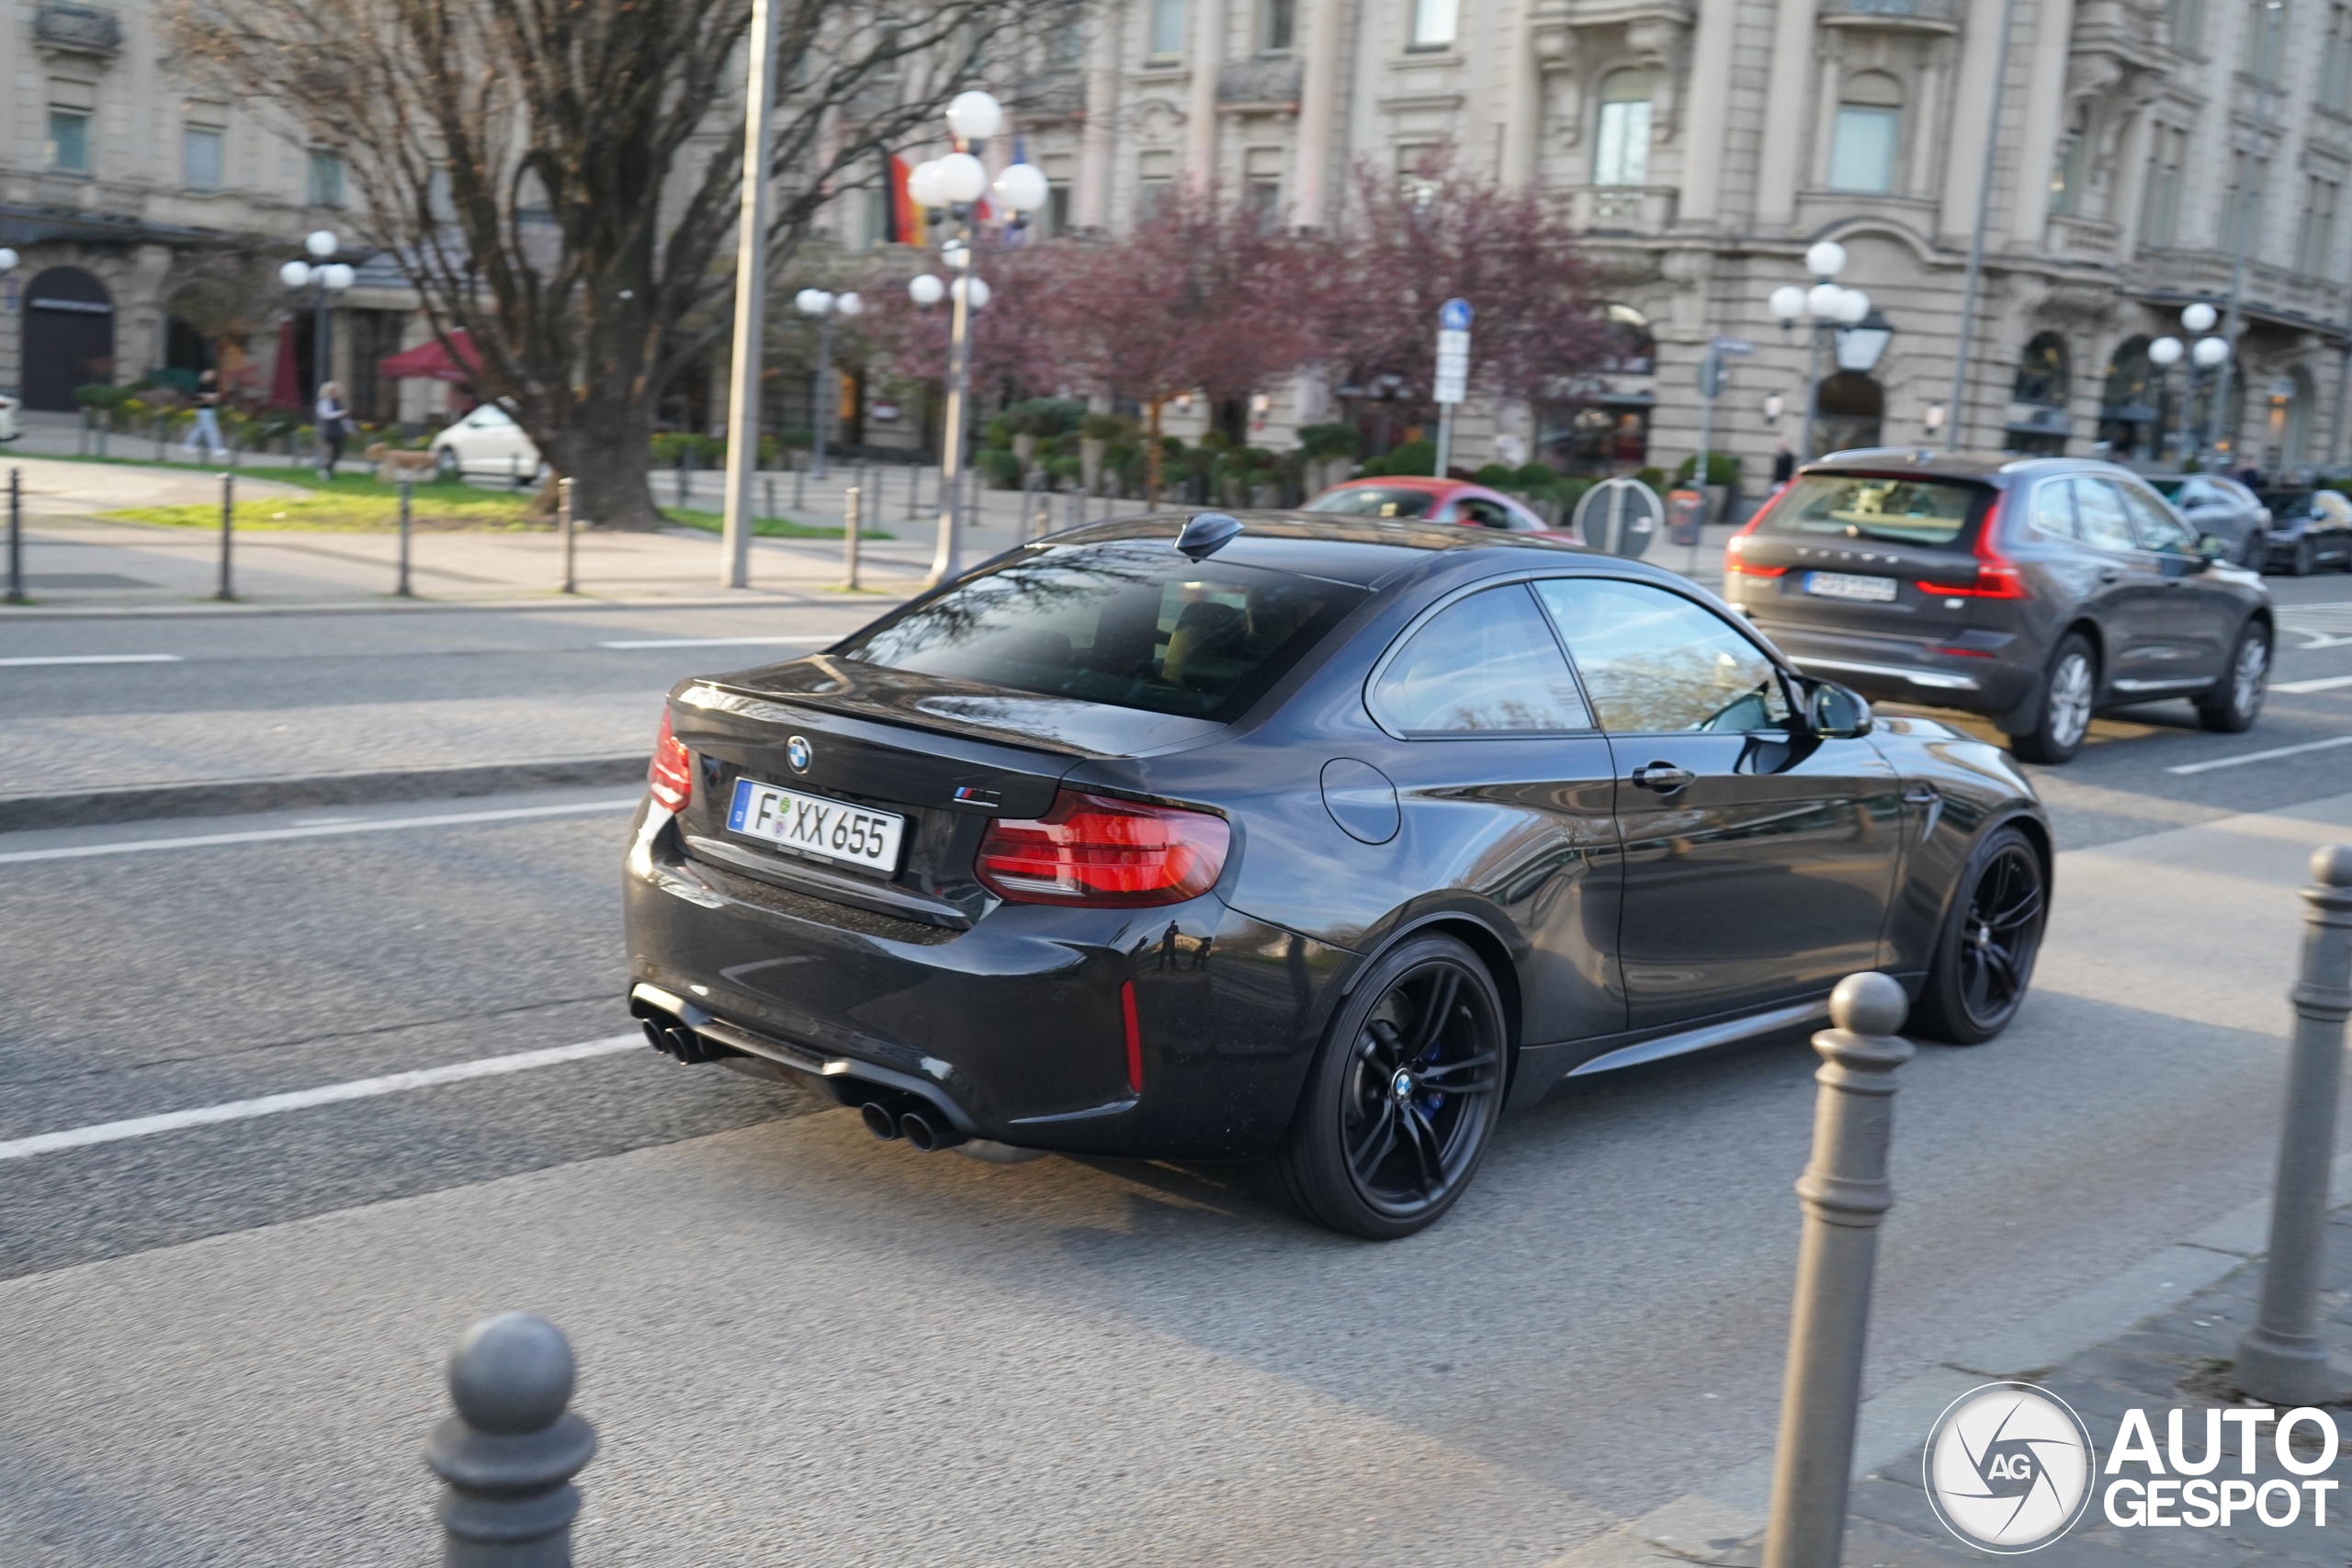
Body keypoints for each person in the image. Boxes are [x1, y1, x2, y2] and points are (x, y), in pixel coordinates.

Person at [183, 369, 227, 461]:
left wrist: (214, 398)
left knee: (200, 429)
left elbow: (217, 397)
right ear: (204, 376)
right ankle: (216, 448)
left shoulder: (212, 387)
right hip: (203, 410)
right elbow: (193, 397)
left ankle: (188, 444)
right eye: (208, 375)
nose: (210, 377)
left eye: (212, 375)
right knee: (211, 429)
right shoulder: (200, 386)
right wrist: (204, 398)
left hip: (210, 409)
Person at [314, 381, 351, 477]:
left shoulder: (338, 403)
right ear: (331, 392)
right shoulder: (324, 403)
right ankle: (326, 470)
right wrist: (340, 413)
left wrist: (350, 429)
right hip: (328, 431)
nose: (340, 392)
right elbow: (325, 415)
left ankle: (328, 470)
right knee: (329, 453)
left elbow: (344, 420)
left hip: (338, 431)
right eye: (337, 390)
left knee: (338, 452)